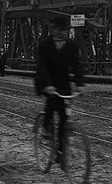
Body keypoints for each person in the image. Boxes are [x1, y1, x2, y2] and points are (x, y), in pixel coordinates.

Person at [34, 15, 84, 164]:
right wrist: (47, 85)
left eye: (65, 30)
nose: (62, 32)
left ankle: (61, 153)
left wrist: (79, 83)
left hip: (63, 82)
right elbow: (41, 66)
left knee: (64, 117)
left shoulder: (72, 46)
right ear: (53, 30)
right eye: (59, 29)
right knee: (52, 101)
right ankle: (44, 127)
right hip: (46, 79)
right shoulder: (44, 45)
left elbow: (77, 65)